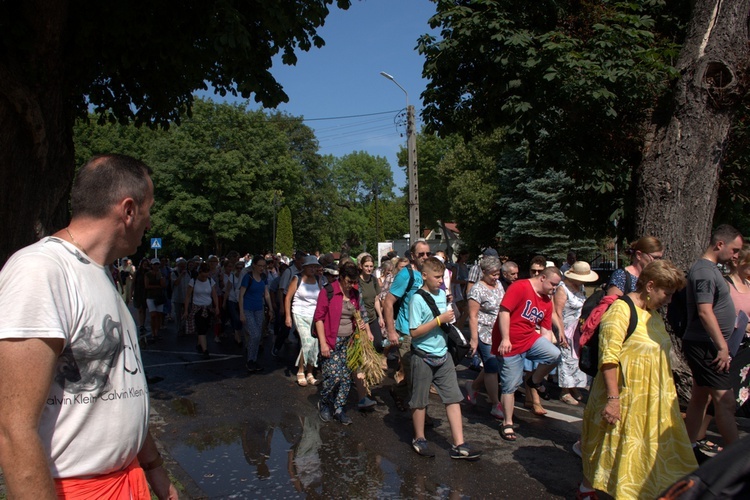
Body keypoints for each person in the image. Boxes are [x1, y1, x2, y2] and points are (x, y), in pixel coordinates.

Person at [0, 154, 177, 499]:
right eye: (148, 209)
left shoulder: (98, 272)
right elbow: (13, 430)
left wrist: (156, 473)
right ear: (128, 210)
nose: (150, 223)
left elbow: (120, 391)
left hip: (127, 481)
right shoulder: (40, 270)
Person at [579, 260, 697, 499]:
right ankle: (591, 490)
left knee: (642, 456)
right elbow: (608, 358)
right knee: (615, 452)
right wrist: (613, 400)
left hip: (651, 403)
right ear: (650, 286)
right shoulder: (621, 310)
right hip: (624, 398)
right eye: (667, 293)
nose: (669, 300)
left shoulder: (652, 314)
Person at [408, 257, 482, 460]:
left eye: (442, 277)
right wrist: (439, 320)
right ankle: (420, 438)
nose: (440, 281)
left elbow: (449, 320)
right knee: (420, 400)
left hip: (443, 355)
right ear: (424, 276)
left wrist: (449, 317)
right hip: (423, 355)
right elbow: (414, 332)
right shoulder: (417, 299)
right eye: (437, 277)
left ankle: (460, 443)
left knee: (453, 398)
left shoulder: (442, 294)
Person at [683, 224, 744, 463]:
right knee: (725, 401)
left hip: (708, 344)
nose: (737, 255)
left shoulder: (712, 270)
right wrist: (722, 346)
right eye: (735, 249)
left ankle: (685, 450)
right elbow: (705, 311)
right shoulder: (704, 272)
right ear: (720, 244)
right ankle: (737, 463)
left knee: (700, 397)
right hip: (706, 345)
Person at [492, 267, 562, 441]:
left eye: (557, 285)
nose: (554, 288)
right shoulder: (520, 287)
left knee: (555, 354)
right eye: (552, 284)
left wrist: (546, 346)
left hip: (529, 339)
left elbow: (545, 329)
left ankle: (534, 381)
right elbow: (504, 311)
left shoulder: (546, 301)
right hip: (510, 343)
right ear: (542, 278)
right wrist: (505, 339)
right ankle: (507, 423)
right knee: (510, 385)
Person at [314, 261, 372, 425]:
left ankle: (339, 408)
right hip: (331, 340)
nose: (350, 285)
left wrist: (360, 325)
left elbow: (357, 313)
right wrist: (323, 344)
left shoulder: (354, 292)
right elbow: (318, 318)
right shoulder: (328, 292)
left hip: (349, 341)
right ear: (341, 277)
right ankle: (325, 403)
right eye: (348, 282)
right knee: (333, 376)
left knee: (346, 379)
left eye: (353, 282)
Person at [383, 241, 433, 411]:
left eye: (428, 254)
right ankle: (419, 416)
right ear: (412, 256)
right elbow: (388, 303)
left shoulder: (430, 274)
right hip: (407, 333)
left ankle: (398, 391)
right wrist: (391, 331)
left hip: (427, 333)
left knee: (422, 375)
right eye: (421, 254)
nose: (425, 257)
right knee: (415, 376)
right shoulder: (406, 275)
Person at [464, 255, 505, 419]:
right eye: (492, 274)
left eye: (498, 273)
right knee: (492, 366)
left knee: (492, 364)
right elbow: (473, 316)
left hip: (499, 331)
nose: (496, 277)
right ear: (483, 272)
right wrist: (474, 339)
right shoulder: (477, 290)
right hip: (484, 332)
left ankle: (473, 386)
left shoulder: (499, 285)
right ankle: (496, 404)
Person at [554, 261, 599, 405]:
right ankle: (565, 390)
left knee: (575, 358)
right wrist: (561, 331)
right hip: (566, 328)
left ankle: (573, 386)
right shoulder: (562, 289)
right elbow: (558, 312)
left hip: (577, 328)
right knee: (566, 358)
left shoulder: (580, 288)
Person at [285, 255, 322, 386]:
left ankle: (310, 372)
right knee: (307, 342)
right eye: (311, 266)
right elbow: (288, 298)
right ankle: (301, 370)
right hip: (299, 313)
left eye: (315, 267)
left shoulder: (318, 279)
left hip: (314, 315)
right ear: (304, 267)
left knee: (315, 344)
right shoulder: (297, 278)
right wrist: (288, 316)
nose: (313, 269)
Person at [239, 255, 275, 372]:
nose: (262, 268)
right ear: (253, 265)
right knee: (254, 334)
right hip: (247, 309)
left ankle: (253, 360)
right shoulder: (247, 277)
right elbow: (241, 296)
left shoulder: (264, 277)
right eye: (260, 266)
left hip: (259, 309)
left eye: (263, 266)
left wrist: (270, 308)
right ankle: (250, 359)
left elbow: (266, 294)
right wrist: (241, 313)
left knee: (258, 335)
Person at [184, 262, 220, 359]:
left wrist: (216, 307)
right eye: (203, 276)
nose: (205, 277)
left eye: (206, 275)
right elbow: (187, 296)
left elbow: (214, 294)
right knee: (201, 328)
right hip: (197, 308)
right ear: (199, 273)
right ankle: (205, 350)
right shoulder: (193, 281)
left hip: (208, 307)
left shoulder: (210, 280)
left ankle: (199, 343)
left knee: (206, 327)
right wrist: (186, 310)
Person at [224, 260, 245, 346]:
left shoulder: (245, 277)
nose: (239, 270)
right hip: (232, 300)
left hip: (241, 300)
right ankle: (238, 337)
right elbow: (227, 290)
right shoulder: (232, 277)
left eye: (241, 268)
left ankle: (237, 333)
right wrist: (224, 302)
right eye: (238, 268)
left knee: (240, 319)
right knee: (236, 318)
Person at [145, 258, 167, 342]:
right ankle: (153, 332)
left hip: (159, 297)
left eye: (157, 264)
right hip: (150, 297)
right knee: (153, 315)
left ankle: (156, 332)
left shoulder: (161, 274)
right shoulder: (148, 274)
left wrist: (160, 277)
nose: (156, 266)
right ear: (152, 265)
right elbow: (147, 286)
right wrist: (158, 286)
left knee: (158, 315)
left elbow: (164, 285)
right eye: (155, 264)